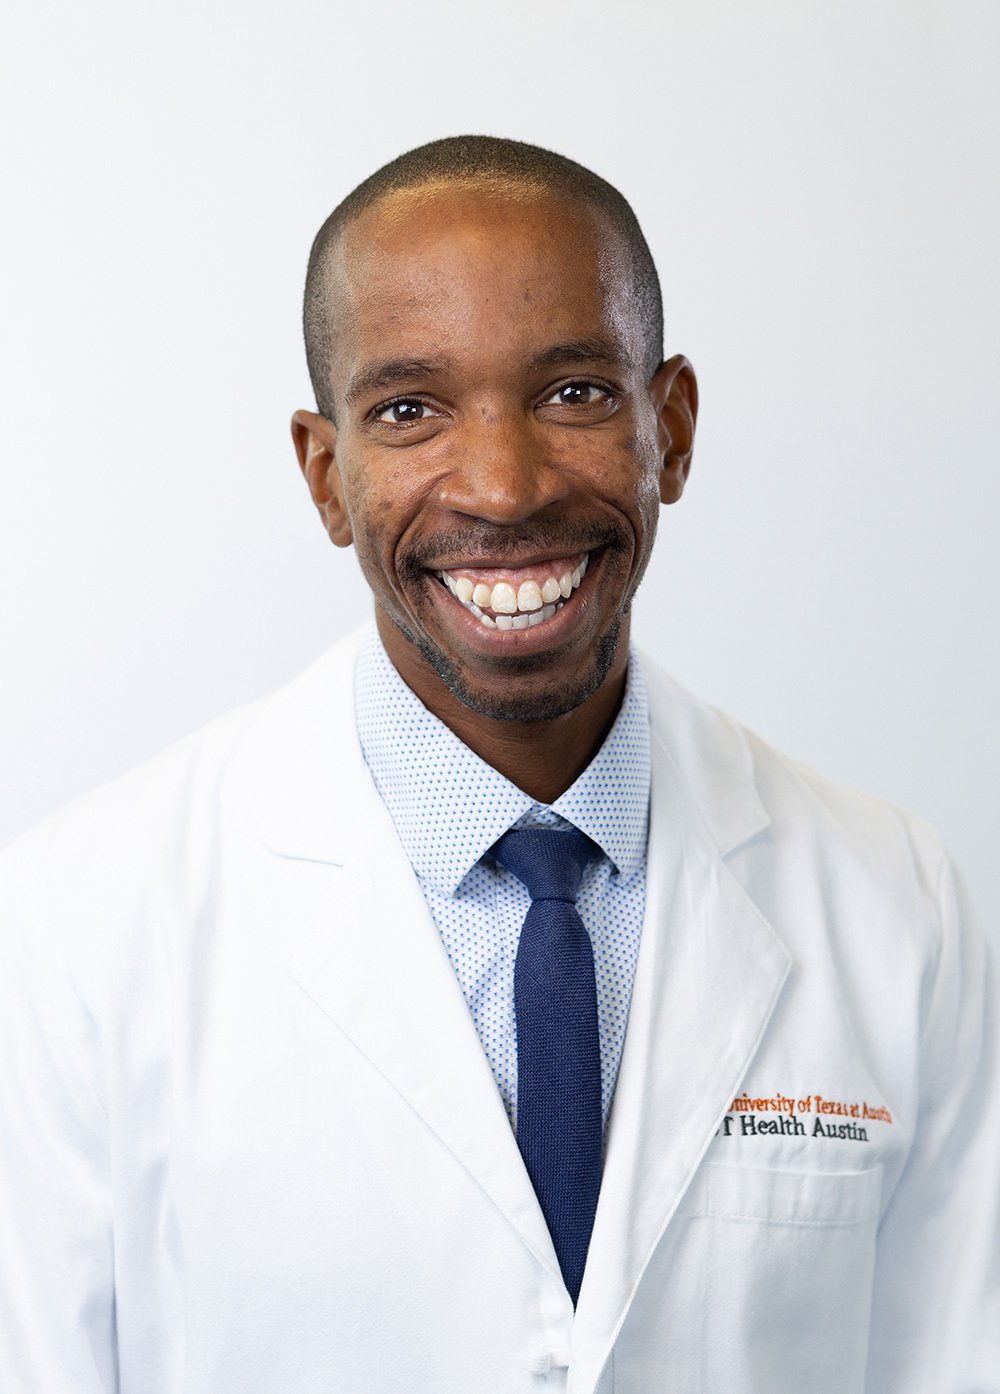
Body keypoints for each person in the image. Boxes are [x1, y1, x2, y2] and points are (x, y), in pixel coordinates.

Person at [0, 136, 997, 1394]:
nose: (502, 484)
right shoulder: (78, 922)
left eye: (573, 391)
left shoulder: (895, 903)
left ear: (670, 427)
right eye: (409, 409)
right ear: (326, 474)